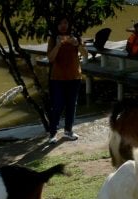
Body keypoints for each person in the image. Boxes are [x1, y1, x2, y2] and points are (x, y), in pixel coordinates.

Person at [46, 16, 89, 144]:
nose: (63, 26)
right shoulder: (53, 39)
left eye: (65, 22)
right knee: (58, 105)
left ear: (69, 24)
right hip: (57, 78)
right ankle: (52, 133)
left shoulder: (76, 37)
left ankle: (68, 130)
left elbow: (85, 54)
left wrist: (77, 44)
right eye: (60, 23)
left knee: (71, 105)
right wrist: (58, 45)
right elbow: (50, 58)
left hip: (74, 77)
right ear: (57, 26)